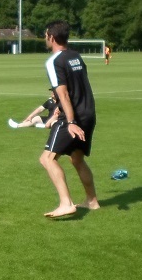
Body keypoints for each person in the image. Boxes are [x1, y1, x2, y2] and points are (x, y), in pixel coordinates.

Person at [40, 20, 99, 218]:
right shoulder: (76, 56)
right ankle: (92, 201)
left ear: (52, 37)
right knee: (77, 159)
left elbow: (63, 95)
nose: (45, 38)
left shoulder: (54, 61)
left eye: (46, 34)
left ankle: (66, 203)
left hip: (71, 117)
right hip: (88, 113)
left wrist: (71, 122)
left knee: (47, 159)